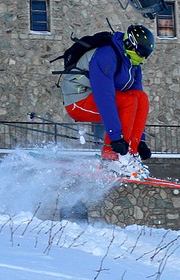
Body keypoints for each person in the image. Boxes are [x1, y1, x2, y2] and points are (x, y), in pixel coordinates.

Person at [62, 25, 155, 177]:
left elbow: (139, 103)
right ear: (131, 44)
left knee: (140, 98)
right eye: (143, 52)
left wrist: (140, 141)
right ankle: (112, 158)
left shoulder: (134, 64)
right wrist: (116, 138)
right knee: (128, 102)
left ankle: (129, 157)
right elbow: (105, 99)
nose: (144, 57)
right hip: (78, 100)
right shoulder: (106, 56)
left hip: (101, 99)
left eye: (148, 54)